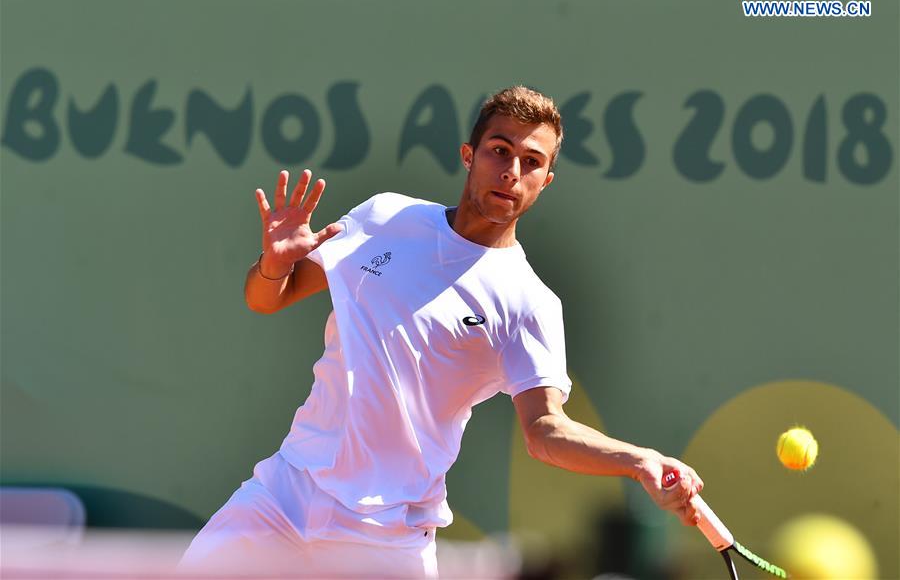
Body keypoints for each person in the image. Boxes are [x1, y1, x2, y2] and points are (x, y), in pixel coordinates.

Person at [180, 86, 703, 578]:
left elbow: (545, 430)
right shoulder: (384, 217)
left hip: (386, 536)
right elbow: (267, 297)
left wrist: (640, 462)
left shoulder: (530, 303)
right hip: (285, 493)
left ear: (546, 179)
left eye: (532, 162)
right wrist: (274, 263)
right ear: (469, 155)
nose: (512, 172)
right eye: (500, 151)